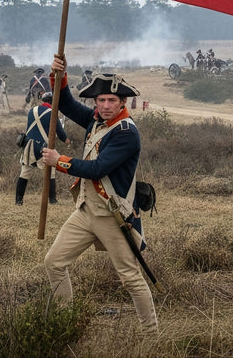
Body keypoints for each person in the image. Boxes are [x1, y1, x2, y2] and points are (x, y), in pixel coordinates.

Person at [40, 54, 157, 333]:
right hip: (85, 211)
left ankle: (152, 336)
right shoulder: (95, 121)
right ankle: (66, 322)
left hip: (112, 216)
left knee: (130, 278)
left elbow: (97, 169)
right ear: (96, 102)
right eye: (101, 100)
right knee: (54, 263)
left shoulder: (127, 132)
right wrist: (59, 74)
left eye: (111, 100)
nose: (105, 105)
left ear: (122, 102)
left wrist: (59, 161)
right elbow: (66, 104)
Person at [16, 92, 68, 205]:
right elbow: (61, 133)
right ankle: (52, 200)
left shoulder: (32, 110)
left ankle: (18, 201)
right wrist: (66, 140)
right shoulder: (52, 113)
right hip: (43, 148)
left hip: (28, 146)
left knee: (24, 173)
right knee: (50, 173)